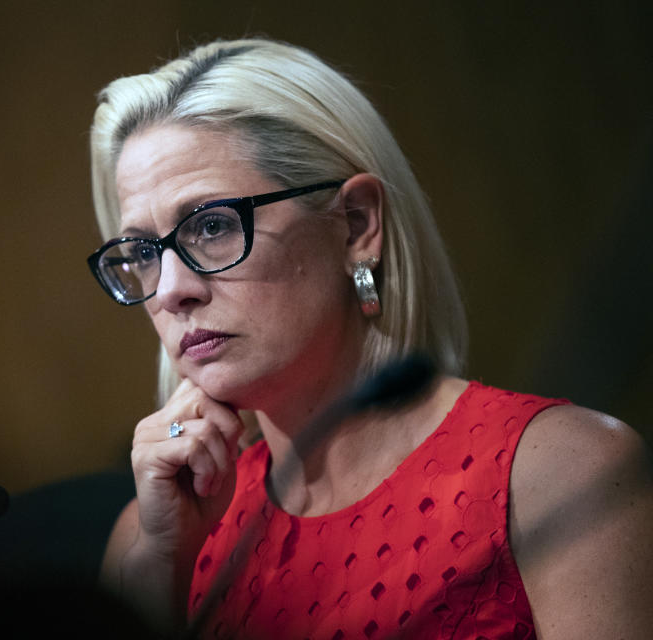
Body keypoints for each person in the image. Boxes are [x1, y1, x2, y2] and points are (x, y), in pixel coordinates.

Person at [84, 38, 653, 639]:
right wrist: (157, 574)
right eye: (144, 253)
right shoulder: (150, 539)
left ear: (357, 225)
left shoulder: (559, 472)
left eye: (213, 226)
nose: (171, 289)